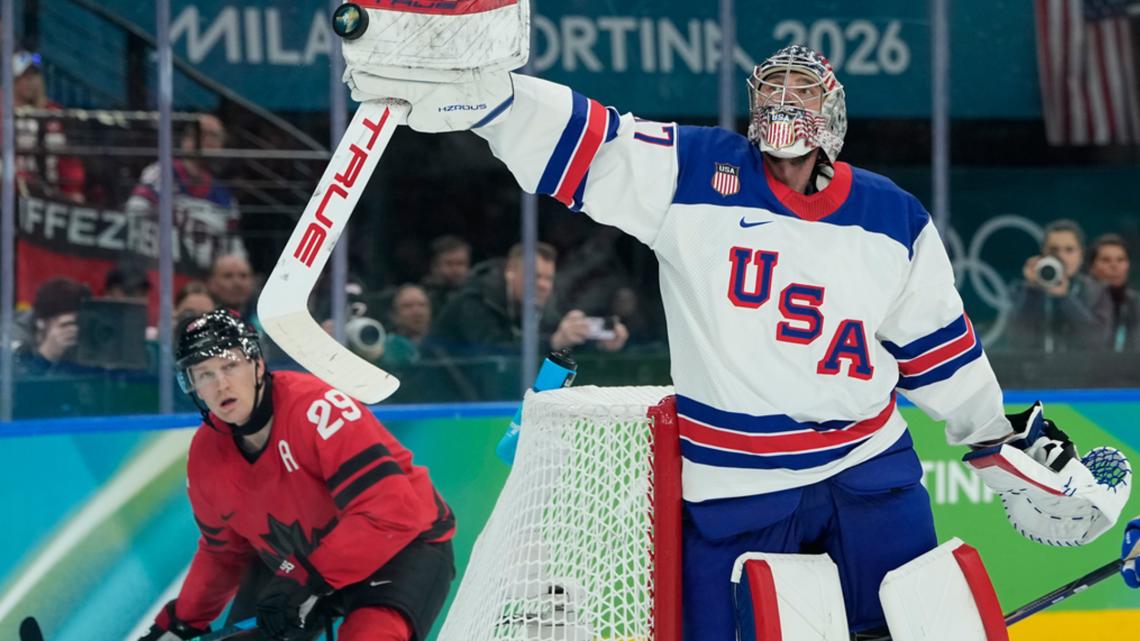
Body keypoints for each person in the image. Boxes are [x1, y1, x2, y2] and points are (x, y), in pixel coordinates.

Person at [346, 45, 1123, 637]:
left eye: (802, 93)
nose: (786, 106)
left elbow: (939, 355)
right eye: (774, 91)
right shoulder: (693, 172)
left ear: (833, 114)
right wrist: (491, 99)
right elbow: (594, 143)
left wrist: (992, 440)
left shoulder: (894, 218)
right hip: (738, 488)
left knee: (912, 615)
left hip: (869, 470)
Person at [138, 310, 455, 641]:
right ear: (194, 388)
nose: (220, 384)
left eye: (229, 365)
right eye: (204, 374)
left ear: (257, 365)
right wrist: (180, 623)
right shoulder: (205, 455)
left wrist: (307, 575)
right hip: (303, 562)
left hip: (403, 546)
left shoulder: (319, 409)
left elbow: (391, 511)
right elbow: (223, 554)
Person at [430, 242, 629, 357]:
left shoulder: (543, 306)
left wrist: (595, 341)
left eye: (548, 278)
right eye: (535, 276)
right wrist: (555, 341)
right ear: (510, 272)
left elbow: (550, 340)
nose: (543, 285)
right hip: (441, 403)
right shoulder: (474, 302)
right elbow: (494, 354)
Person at [125, 113, 245, 276]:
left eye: (215, 136)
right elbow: (135, 212)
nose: (209, 141)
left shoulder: (225, 196)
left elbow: (233, 246)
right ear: (186, 140)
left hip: (206, 277)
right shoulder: (163, 173)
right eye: (203, 134)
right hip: (161, 270)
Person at [1005, 219, 1107, 352]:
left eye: (1069, 250)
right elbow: (1016, 340)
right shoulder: (1021, 290)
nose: (1061, 256)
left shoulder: (1097, 291)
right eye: (1054, 250)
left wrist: (1065, 298)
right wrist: (1032, 290)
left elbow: (1097, 341)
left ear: (1081, 255)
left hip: (1081, 372)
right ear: (1043, 253)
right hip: (1033, 371)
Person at [8, 51, 86, 202]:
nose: (31, 83)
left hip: (51, 191)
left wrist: (73, 190)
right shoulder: (4, 110)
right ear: (14, 81)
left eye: (35, 76)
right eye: (25, 77)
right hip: (12, 192)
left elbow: (68, 159)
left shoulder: (54, 113)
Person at [13, 277, 89, 375]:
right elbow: (14, 384)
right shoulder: (14, 337)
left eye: (79, 324)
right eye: (66, 325)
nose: (74, 331)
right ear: (41, 322)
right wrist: (46, 355)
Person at [1087, 234, 1139, 352]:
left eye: (1121, 260)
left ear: (1128, 265)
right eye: (1106, 260)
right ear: (1091, 267)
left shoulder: (1136, 303)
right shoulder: (1079, 300)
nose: (1115, 266)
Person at [381, 284, 432, 368]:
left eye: (422, 305)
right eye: (408, 306)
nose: (417, 312)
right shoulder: (385, 349)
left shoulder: (443, 347)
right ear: (394, 315)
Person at [420, 235, 471, 313]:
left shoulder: (475, 296)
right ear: (435, 267)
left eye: (460, 263)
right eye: (449, 263)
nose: (455, 269)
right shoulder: (422, 297)